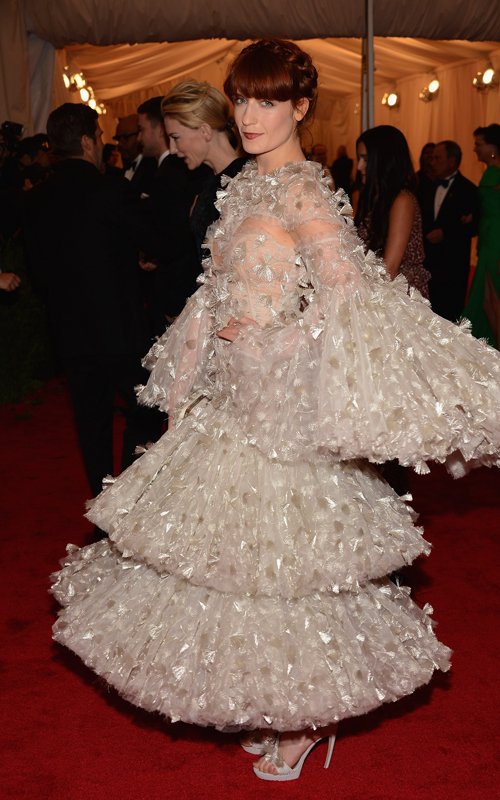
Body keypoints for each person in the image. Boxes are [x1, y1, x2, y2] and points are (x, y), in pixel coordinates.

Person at [52, 41, 500, 784]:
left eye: (268, 102)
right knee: (241, 571)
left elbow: (348, 298)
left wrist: (272, 339)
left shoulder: (298, 188)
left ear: (299, 107)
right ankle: (287, 709)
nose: (251, 116)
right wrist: (192, 359)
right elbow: (219, 286)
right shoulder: (250, 186)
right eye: (243, 101)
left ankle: (307, 718)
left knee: (288, 572)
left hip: (280, 411)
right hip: (236, 403)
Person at [24, 103, 163, 501]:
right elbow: (152, 239)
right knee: (149, 409)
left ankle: (103, 503)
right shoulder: (110, 189)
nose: (102, 145)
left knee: (91, 425)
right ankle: (131, 497)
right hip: (120, 330)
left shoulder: (36, 200)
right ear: (87, 142)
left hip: (70, 332)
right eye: (100, 137)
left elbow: (38, 272)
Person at [161, 79, 247, 261]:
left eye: (175, 137)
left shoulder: (245, 183)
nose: (173, 149)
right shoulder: (208, 181)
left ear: (205, 131)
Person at [355, 125, 430, 297]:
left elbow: (390, 269)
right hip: (377, 290)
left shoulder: (402, 200)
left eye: (366, 159)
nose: (359, 166)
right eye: (359, 158)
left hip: (399, 298)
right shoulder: (372, 197)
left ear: (384, 161)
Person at [421, 140, 479, 322]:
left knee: (450, 319)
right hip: (428, 266)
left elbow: (473, 227)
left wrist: (446, 234)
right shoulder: (425, 187)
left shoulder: (468, 190)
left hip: (452, 268)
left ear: (452, 161)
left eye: (437, 158)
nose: (432, 162)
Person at [463, 123, 500, 347]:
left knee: (493, 298)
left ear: (493, 146)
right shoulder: (491, 172)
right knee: (487, 300)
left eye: (479, 144)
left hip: (497, 240)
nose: (475, 149)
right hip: (488, 239)